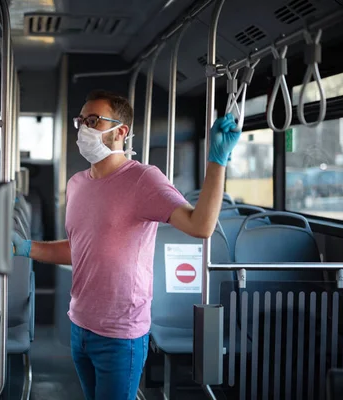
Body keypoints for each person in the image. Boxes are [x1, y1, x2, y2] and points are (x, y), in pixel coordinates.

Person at [12, 90, 240, 400]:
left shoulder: (144, 180)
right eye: (81, 121)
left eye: (93, 121)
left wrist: (216, 161)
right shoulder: (77, 184)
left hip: (120, 334)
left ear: (121, 131)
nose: (83, 129)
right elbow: (81, 248)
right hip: (80, 324)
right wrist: (27, 248)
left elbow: (200, 226)